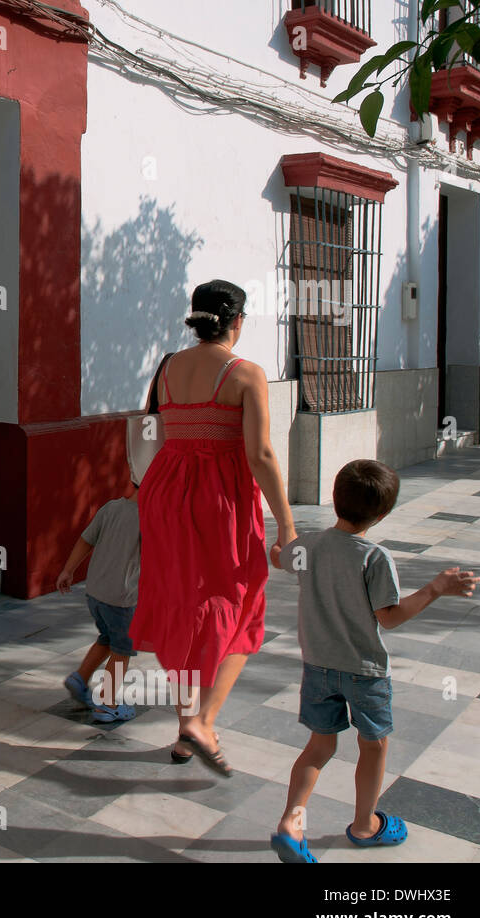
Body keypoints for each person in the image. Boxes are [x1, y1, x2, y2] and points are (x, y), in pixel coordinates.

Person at [270, 459, 479, 862]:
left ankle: (291, 824)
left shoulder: (308, 546)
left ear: (334, 501)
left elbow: (280, 556)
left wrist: (281, 544)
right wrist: (436, 588)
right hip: (364, 672)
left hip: (317, 667)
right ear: (383, 514)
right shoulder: (375, 557)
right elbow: (391, 617)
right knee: (374, 745)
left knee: (318, 748)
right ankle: (365, 824)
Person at [129, 279, 296, 775]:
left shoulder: (167, 368)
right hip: (218, 498)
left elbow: (150, 429)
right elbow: (261, 454)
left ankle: (186, 731)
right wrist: (287, 526)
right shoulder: (245, 373)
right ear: (237, 321)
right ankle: (203, 720)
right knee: (241, 604)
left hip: (165, 493)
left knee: (183, 602)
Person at [55, 478, 141, 723]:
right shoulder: (148, 519)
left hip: (95, 594)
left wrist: (68, 570)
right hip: (122, 599)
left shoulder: (111, 507)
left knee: (106, 638)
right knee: (122, 650)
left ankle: (80, 679)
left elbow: (86, 540)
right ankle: (108, 704)